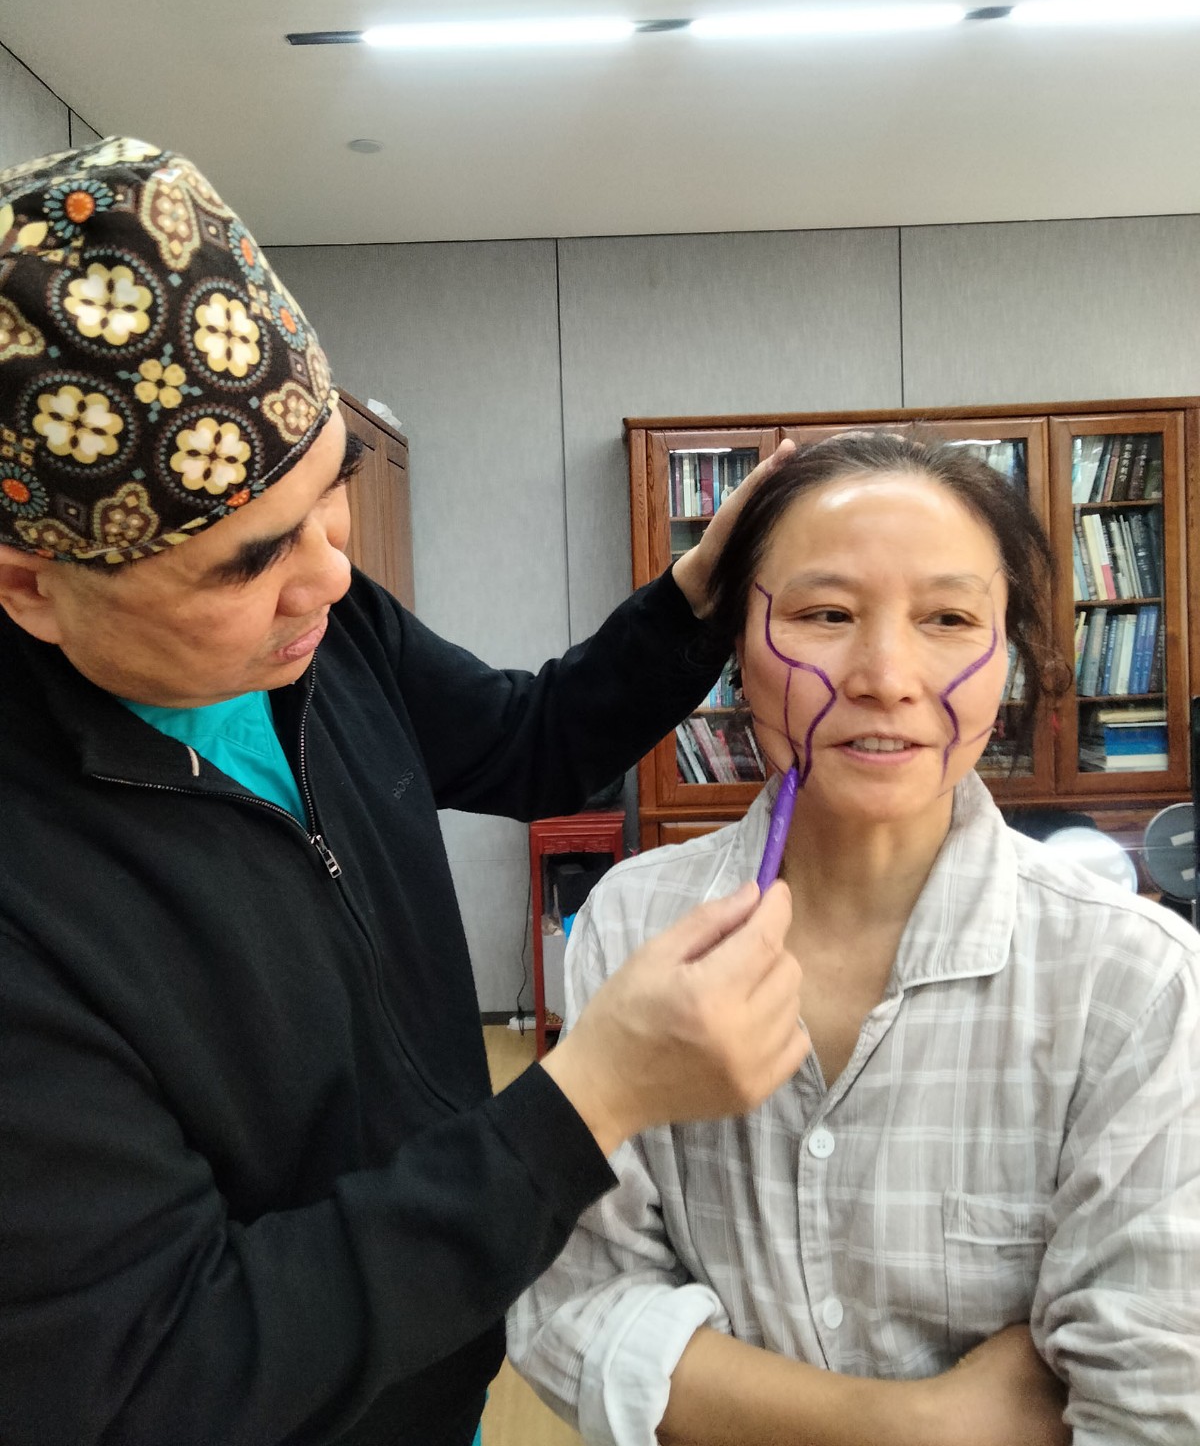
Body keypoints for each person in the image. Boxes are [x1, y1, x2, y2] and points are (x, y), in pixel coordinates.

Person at [0, 137, 810, 1446]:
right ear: (33, 587)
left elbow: (532, 740)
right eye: (248, 561)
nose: (331, 573)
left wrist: (698, 595)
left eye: (334, 494)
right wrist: (590, 1098)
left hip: (434, 1385)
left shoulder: (321, 633)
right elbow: (160, 1374)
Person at [509, 430, 1200, 1446]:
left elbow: (1153, 1397)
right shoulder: (635, 924)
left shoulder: (1133, 978)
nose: (885, 676)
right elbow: (572, 1307)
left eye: (949, 618)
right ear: (737, 651)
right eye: (825, 615)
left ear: (1009, 657)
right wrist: (918, 1426)